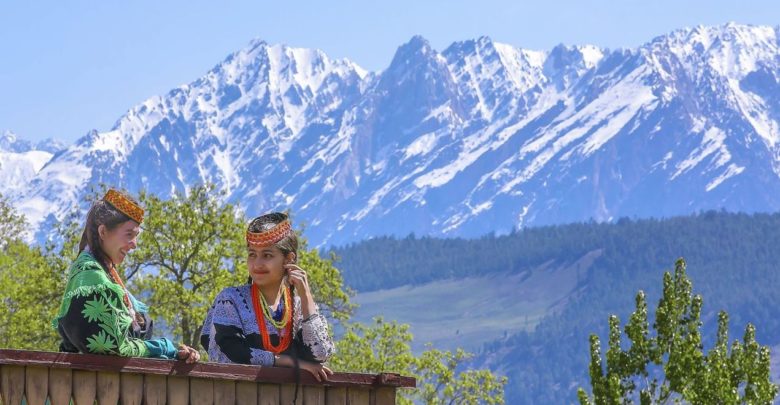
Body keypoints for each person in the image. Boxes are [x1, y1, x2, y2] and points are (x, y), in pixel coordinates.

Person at [53, 189, 200, 363]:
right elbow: (116, 347)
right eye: (129, 234)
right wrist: (164, 348)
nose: (134, 245)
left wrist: (175, 353)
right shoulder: (91, 277)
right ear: (103, 232)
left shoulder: (107, 274)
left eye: (136, 236)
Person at [200, 212, 334, 381]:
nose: (257, 264)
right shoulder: (230, 300)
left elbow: (320, 354)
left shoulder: (299, 307)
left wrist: (306, 296)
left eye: (267, 255)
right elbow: (231, 355)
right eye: (252, 254)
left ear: (288, 259)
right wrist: (291, 362)